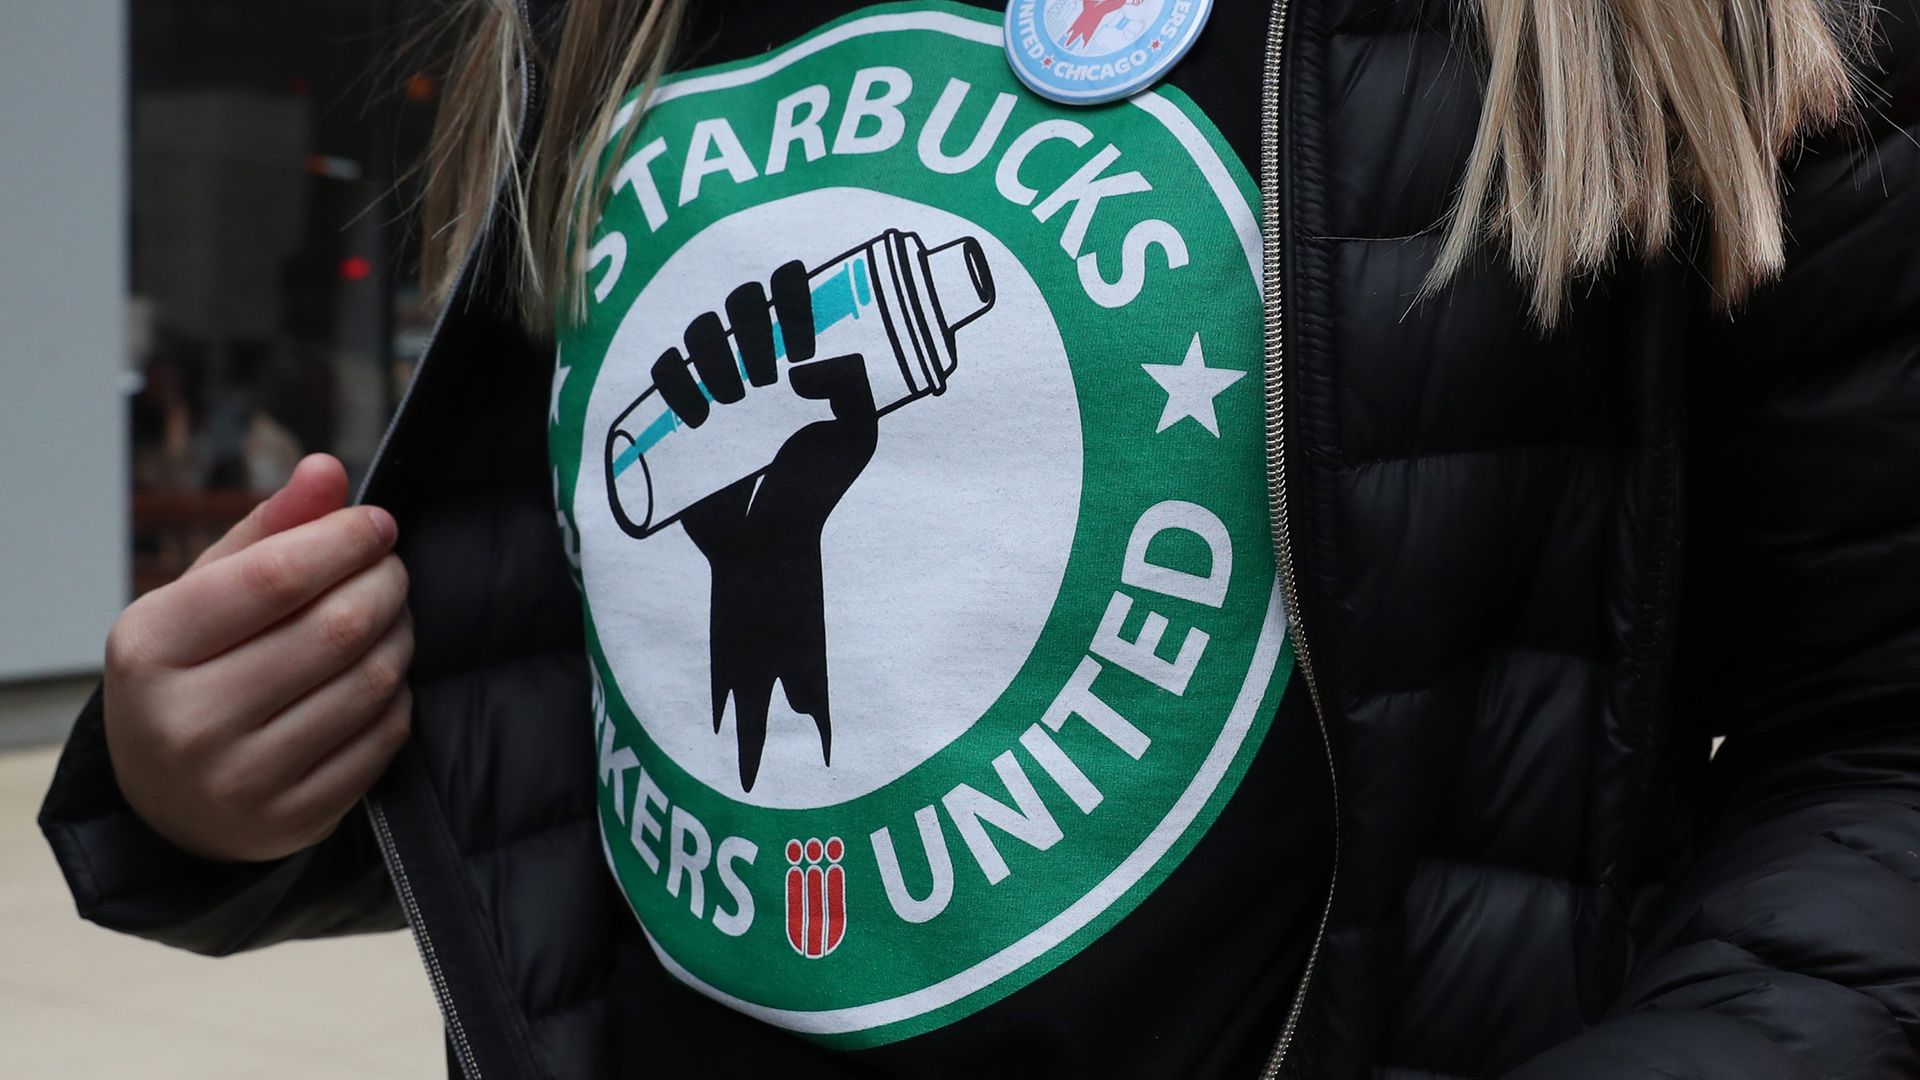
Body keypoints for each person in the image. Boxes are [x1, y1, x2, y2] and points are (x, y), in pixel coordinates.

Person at [39, 0, 1920, 1076]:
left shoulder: (1680, 33)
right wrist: (210, 785)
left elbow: (1877, 762)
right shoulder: (600, 27)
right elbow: (606, 726)